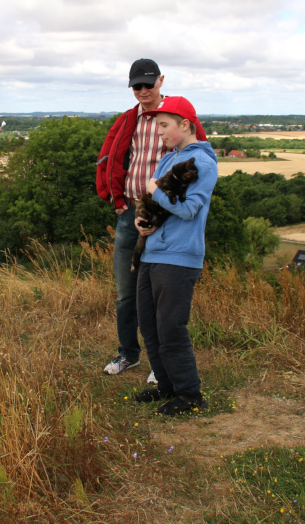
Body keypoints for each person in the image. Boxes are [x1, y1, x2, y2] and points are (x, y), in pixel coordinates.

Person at [95, 60, 209, 379]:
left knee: (159, 294)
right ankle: (128, 354)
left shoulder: (177, 119)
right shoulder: (128, 120)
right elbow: (110, 157)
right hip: (130, 211)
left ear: (161, 81)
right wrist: (117, 200)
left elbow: (198, 157)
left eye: (148, 84)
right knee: (126, 292)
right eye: (137, 86)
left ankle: (161, 364)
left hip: (166, 216)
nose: (143, 91)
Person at [131, 96, 218, 416]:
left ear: (185, 125)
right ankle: (166, 386)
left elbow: (188, 208)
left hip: (179, 258)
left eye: (164, 126)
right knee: (150, 326)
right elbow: (154, 202)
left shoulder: (202, 163)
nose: (160, 133)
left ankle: (189, 394)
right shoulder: (171, 158)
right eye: (157, 127)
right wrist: (143, 221)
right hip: (153, 253)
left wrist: (154, 191)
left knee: (170, 327)